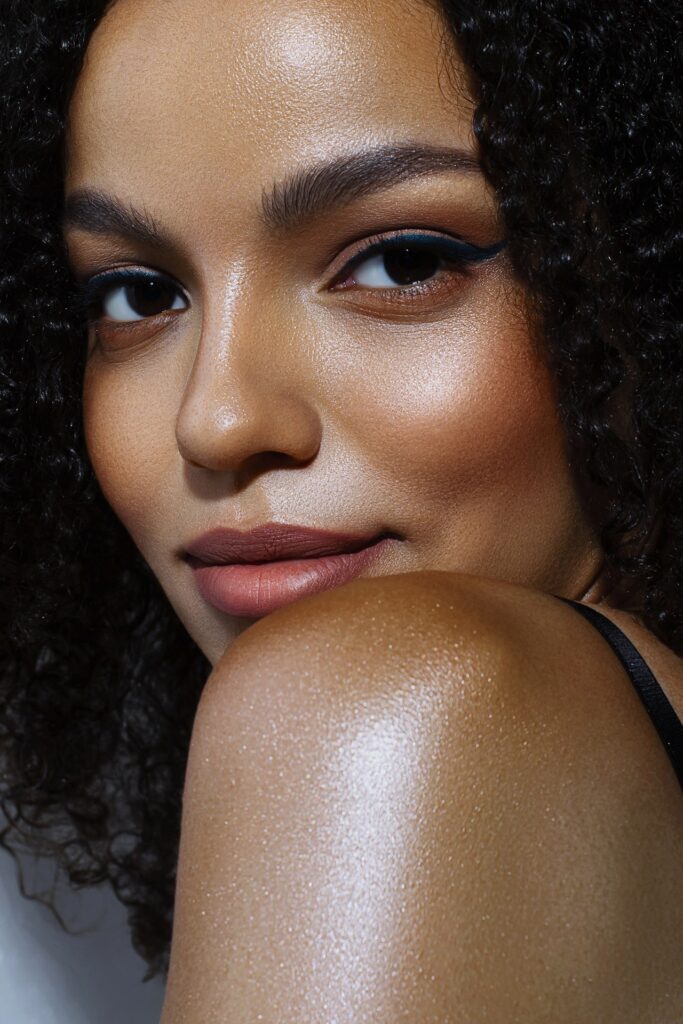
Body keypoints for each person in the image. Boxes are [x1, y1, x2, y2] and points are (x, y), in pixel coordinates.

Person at [1, 0, 681, 1019]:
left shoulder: (389, 702)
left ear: (638, 271)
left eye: (401, 261)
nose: (215, 420)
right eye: (139, 295)